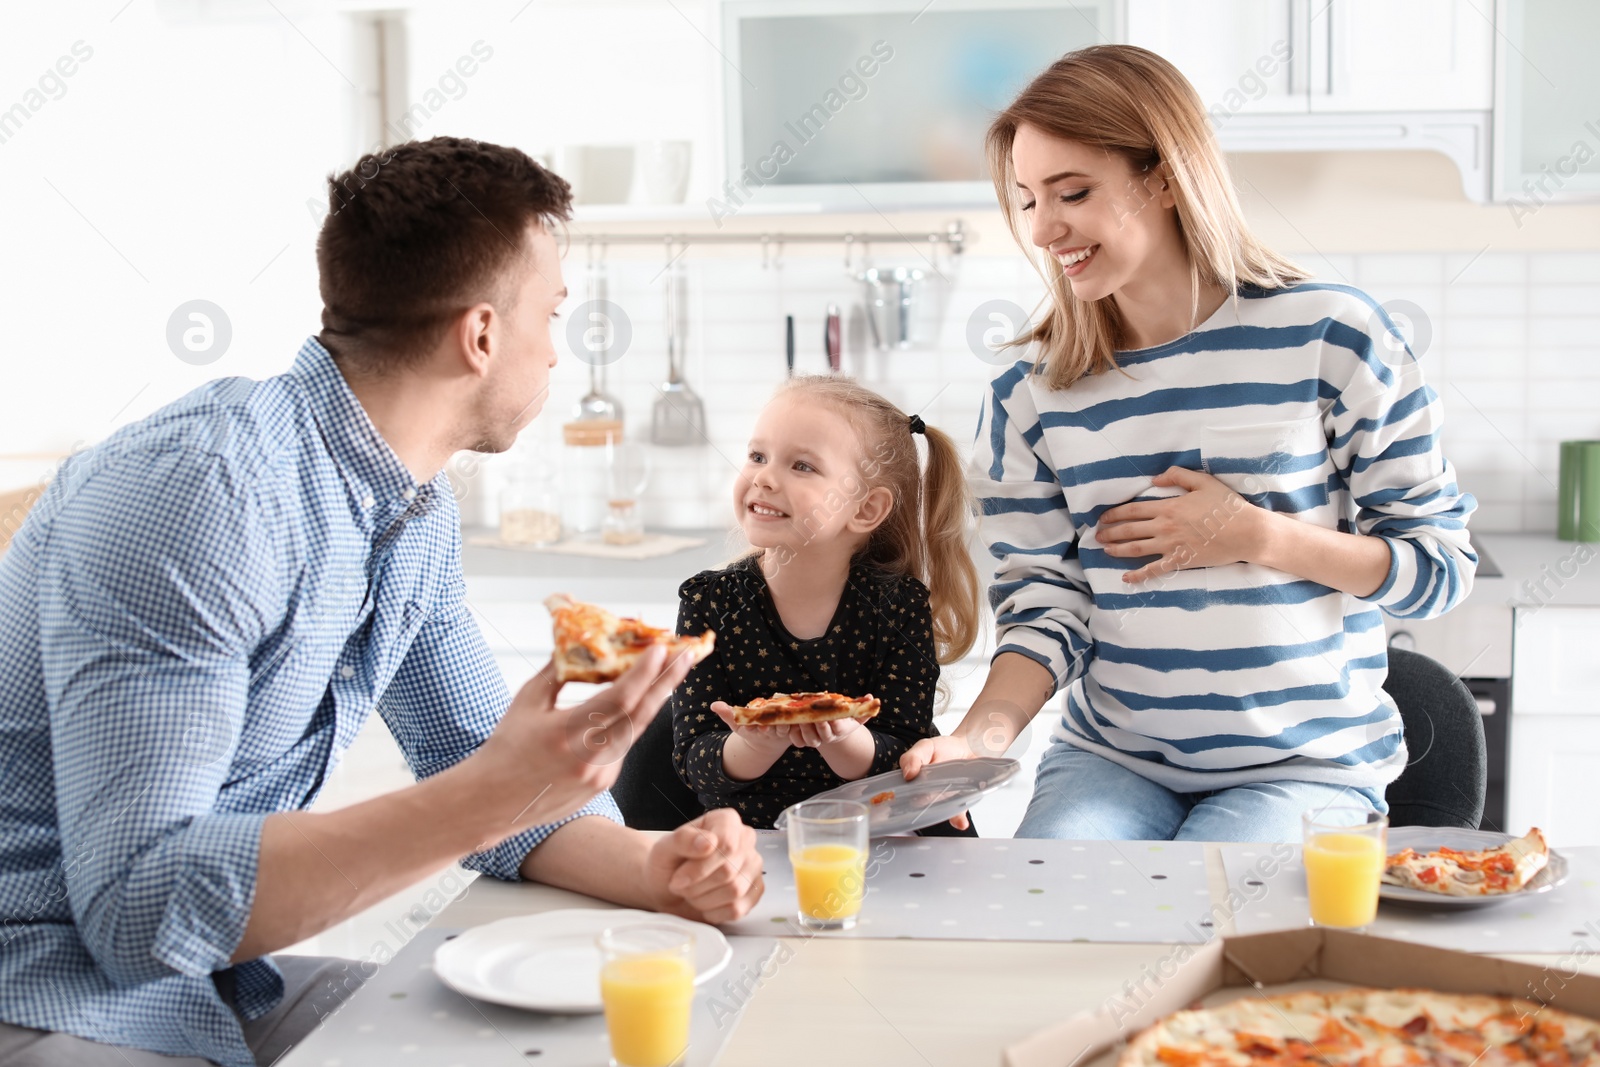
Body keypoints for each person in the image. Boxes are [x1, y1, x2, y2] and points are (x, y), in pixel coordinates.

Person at [0, 137, 762, 1067]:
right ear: (481, 335)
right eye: (551, 317)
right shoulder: (204, 494)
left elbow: (475, 756)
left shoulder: (410, 510)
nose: (557, 354)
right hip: (45, 996)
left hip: (211, 991)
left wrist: (656, 866)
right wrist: (487, 794)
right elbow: (136, 910)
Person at [900, 45, 1478, 843]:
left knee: (1212, 935)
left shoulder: (1333, 338)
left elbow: (1440, 570)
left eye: (1073, 192)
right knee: (1056, 929)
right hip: (1114, 762)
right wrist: (975, 740)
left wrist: (1258, 535)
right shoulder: (1030, 396)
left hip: (1303, 768)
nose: (1044, 227)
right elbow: (1045, 612)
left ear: (1164, 177)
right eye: (1028, 199)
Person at [669, 377, 981, 829]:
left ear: (866, 509)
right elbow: (692, 760)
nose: (763, 477)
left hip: (886, 835)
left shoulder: (897, 606)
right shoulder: (709, 604)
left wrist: (843, 737)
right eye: (758, 456)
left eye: (802, 466)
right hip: (756, 841)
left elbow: (909, 756)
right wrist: (756, 742)